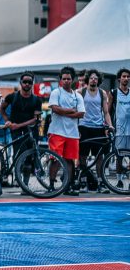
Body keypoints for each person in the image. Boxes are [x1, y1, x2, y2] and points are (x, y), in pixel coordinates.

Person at [48, 66, 85, 196]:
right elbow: (55, 108)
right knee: (55, 159)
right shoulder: (56, 92)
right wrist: (70, 111)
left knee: (70, 160)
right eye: (64, 79)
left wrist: (63, 112)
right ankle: (51, 185)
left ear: (72, 80)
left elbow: (81, 113)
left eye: (68, 79)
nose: (66, 81)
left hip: (72, 133)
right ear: (60, 80)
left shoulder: (77, 96)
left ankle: (68, 186)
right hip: (57, 132)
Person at [76, 69, 112, 193]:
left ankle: (101, 183)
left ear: (98, 80)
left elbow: (106, 112)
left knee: (99, 157)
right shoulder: (80, 92)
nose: (93, 80)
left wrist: (110, 125)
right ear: (88, 79)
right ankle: (83, 182)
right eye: (91, 78)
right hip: (84, 127)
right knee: (82, 156)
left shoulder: (102, 93)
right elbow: (75, 110)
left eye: (96, 78)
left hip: (98, 128)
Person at [0, 71, 43, 163]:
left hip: (31, 132)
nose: (27, 84)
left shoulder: (37, 100)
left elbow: (37, 119)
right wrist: (7, 120)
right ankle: (17, 172)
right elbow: (1, 108)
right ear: (20, 82)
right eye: (25, 82)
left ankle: (26, 172)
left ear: (32, 83)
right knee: (18, 155)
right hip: (16, 132)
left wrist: (18, 125)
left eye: (29, 82)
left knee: (31, 158)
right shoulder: (12, 96)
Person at [109, 67, 130, 152]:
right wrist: (109, 126)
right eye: (124, 76)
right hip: (119, 130)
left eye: (128, 77)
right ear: (119, 79)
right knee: (119, 155)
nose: (126, 78)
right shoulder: (113, 92)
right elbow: (108, 111)